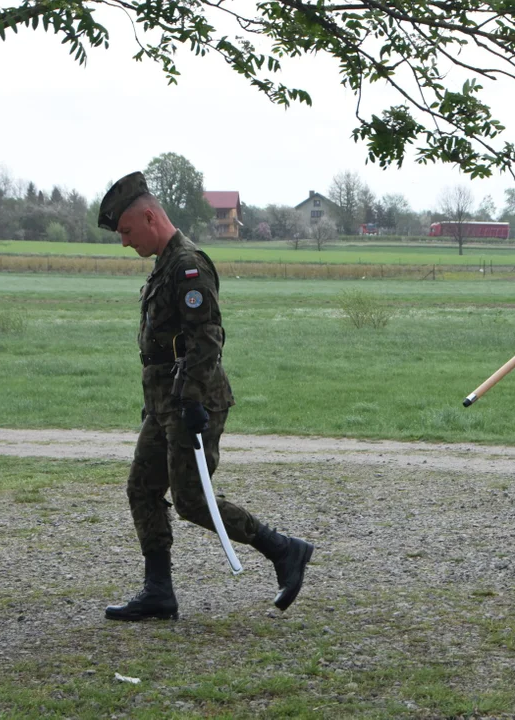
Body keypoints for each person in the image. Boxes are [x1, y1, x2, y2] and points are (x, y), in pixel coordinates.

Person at [97, 171, 313, 621]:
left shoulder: (188, 264)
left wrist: (191, 400)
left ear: (151, 217)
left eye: (127, 231)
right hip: (164, 405)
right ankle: (159, 592)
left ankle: (283, 549)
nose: (123, 242)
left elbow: (207, 338)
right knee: (142, 488)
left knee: (193, 500)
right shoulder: (164, 265)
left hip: (192, 403)